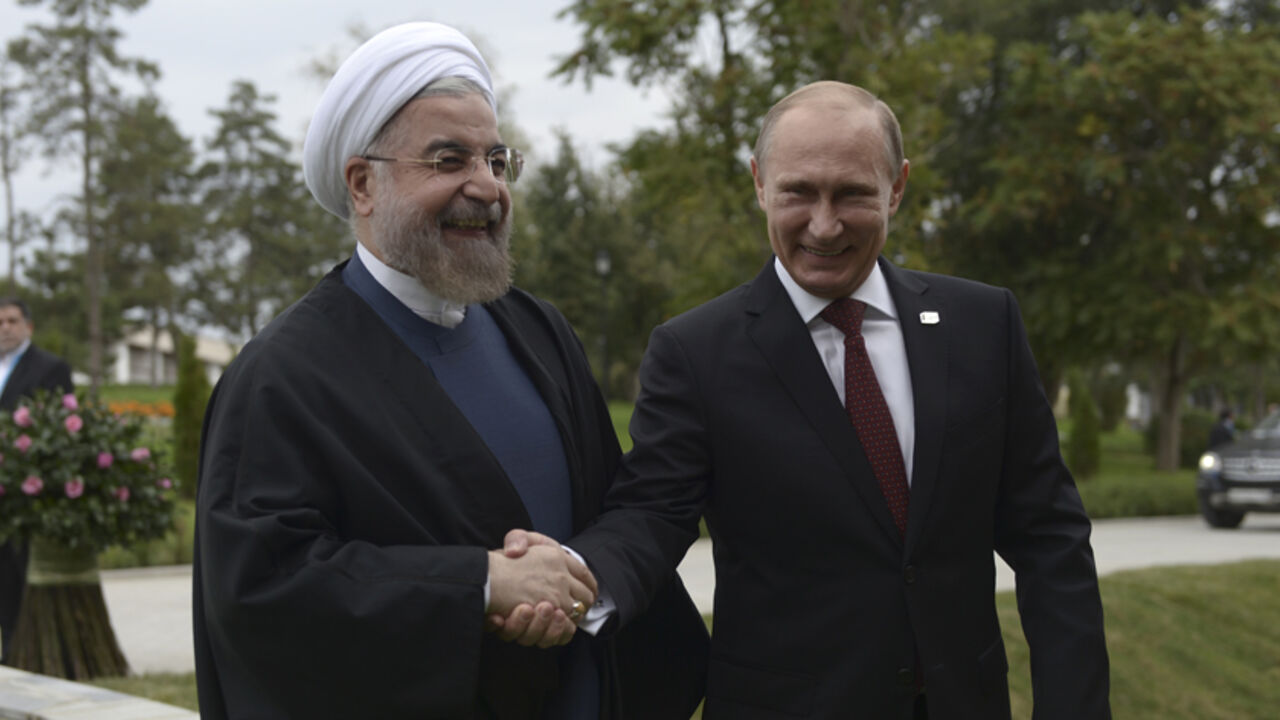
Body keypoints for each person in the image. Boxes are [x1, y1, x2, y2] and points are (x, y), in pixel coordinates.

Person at [504, 81, 1110, 719]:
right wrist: (574, 575)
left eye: (852, 193)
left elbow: (1050, 538)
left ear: (897, 187)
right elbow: (651, 514)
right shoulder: (695, 353)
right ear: (760, 183)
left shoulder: (983, 324)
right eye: (799, 192)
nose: (824, 225)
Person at [191, 22, 706, 719]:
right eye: (448, 160)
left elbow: (620, 506)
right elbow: (262, 589)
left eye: (496, 159)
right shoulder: (282, 377)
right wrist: (479, 585)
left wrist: (582, 579)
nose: (486, 187)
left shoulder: (539, 331)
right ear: (362, 184)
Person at [0, 298, 73, 664]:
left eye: (12, 320)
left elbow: (62, 427)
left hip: (27, 498)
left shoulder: (50, 368)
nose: (5, 327)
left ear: (28, 326)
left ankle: (19, 655)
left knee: (18, 579)